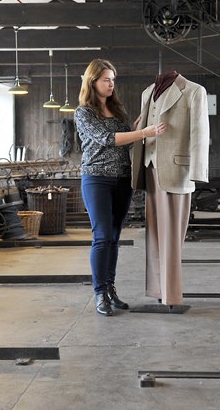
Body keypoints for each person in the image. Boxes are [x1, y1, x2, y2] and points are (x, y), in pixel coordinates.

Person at [75, 59, 167, 316]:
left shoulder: (116, 110)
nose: (111, 84)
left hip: (122, 180)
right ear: (93, 82)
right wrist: (144, 132)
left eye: (113, 80)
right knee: (102, 236)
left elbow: (124, 141)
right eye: (106, 80)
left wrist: (135, 129)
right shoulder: (84, 112)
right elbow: (107, 139)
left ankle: (110, 288)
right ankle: (99, 293)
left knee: (114, 238)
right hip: (97, 179)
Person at [131, 71, 210, 307]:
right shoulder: (148, 92)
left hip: (177, 171)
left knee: (172, 238)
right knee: (154, 236)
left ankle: (172, 295)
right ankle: (157, 289)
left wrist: (197, 172)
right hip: (149, 168)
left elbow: (200, 132)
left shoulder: (194, 91)